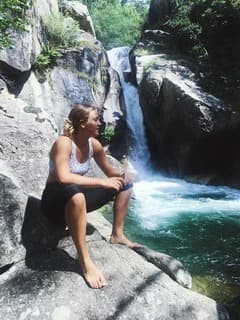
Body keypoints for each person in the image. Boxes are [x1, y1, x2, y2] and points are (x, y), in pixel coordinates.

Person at [41, 103, 139, 289]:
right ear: (82, 123)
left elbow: (110, 171)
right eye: (96, 119)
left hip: (76, 197)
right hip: (54, 203)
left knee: (125, 184)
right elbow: (63, 177)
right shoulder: (64, 142)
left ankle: (117, 234)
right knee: (76, 194)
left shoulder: (94, 144)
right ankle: (85, 262)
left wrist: (122, 174)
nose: (100, 123)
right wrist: (102, 182)